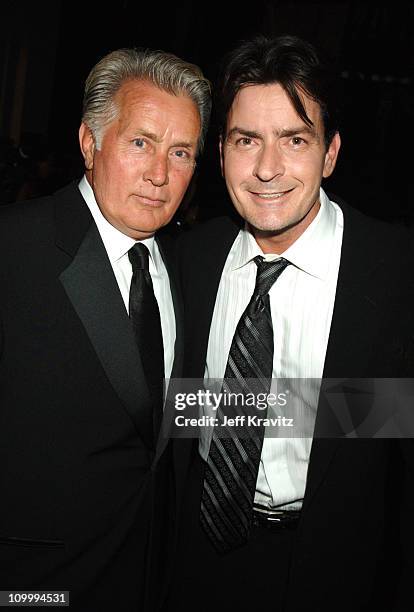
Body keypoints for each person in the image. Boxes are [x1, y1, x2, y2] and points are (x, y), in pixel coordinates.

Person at [167, 35, 414, 611]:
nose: (267, 169)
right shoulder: (187, 262)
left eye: (294, 140)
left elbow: (393, 434)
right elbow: (174, 410)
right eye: (246, 140)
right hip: (193, 563)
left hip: (337, 571)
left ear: (329, 154)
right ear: (221, 152)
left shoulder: (395, 274)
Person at [0, 47, 210, 611]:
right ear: (90, 142)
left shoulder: (191, 267)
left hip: (150, 582)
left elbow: (193, 409)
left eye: (181, 152)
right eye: (140, 142)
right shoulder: (15, 249)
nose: (161, 174)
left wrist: (381, 412)